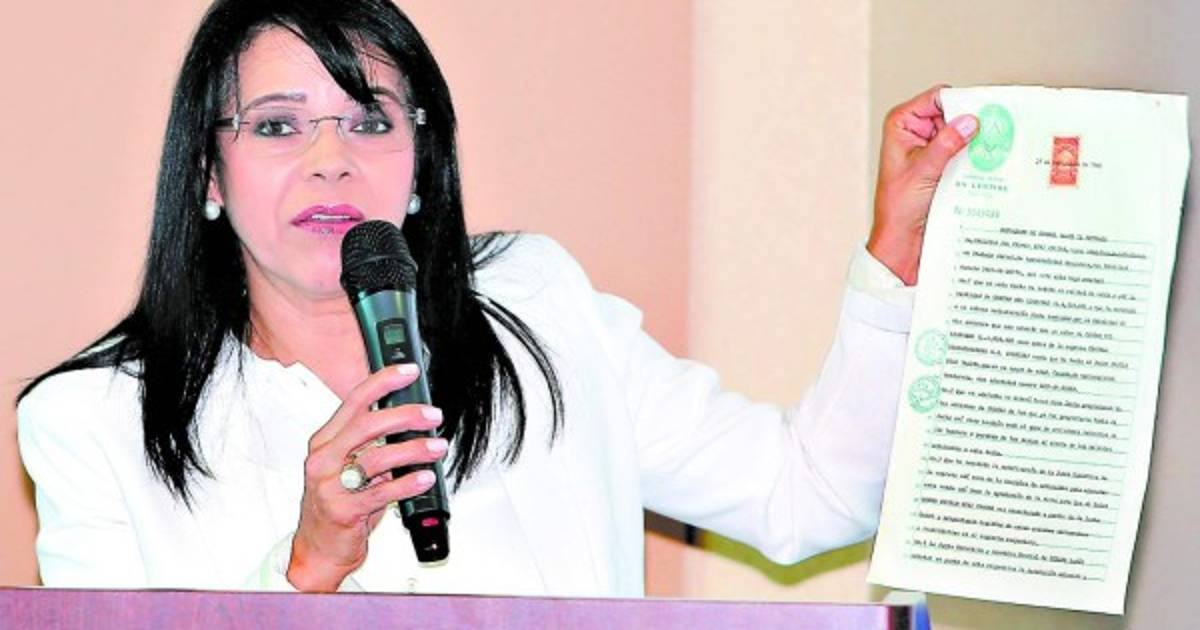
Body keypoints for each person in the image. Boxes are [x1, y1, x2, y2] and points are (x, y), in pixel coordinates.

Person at [16, 0, 978, 596]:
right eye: (277, 126)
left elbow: (808, 494)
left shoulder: (540, 305)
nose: (330, 159)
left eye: (369, 121)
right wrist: (306, 569)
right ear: (208, 175)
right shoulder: (90, 421)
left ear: (421, 165)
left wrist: (897, 248)